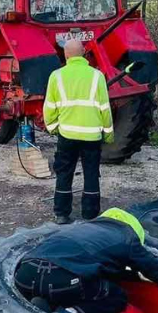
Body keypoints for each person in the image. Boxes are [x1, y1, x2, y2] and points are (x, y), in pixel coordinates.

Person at [14, 208, 158, 313]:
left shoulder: (83, 229)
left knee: (67, 286)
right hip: (64, 278)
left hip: (25, 273)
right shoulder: (128, 237)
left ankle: (42, 305)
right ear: (134, 229)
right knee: (116, 296)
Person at [43, 38, 114, 224]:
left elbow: (49, 109)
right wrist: (108, 133)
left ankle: (61, 214)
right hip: (92, 135)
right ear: (84, 53)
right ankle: (90, 214)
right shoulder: (97, 76)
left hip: (67, 134)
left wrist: (53, 128)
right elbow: (105, 109)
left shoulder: (56, 76)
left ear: (65, 54)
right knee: (91, 172)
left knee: (64, 172)